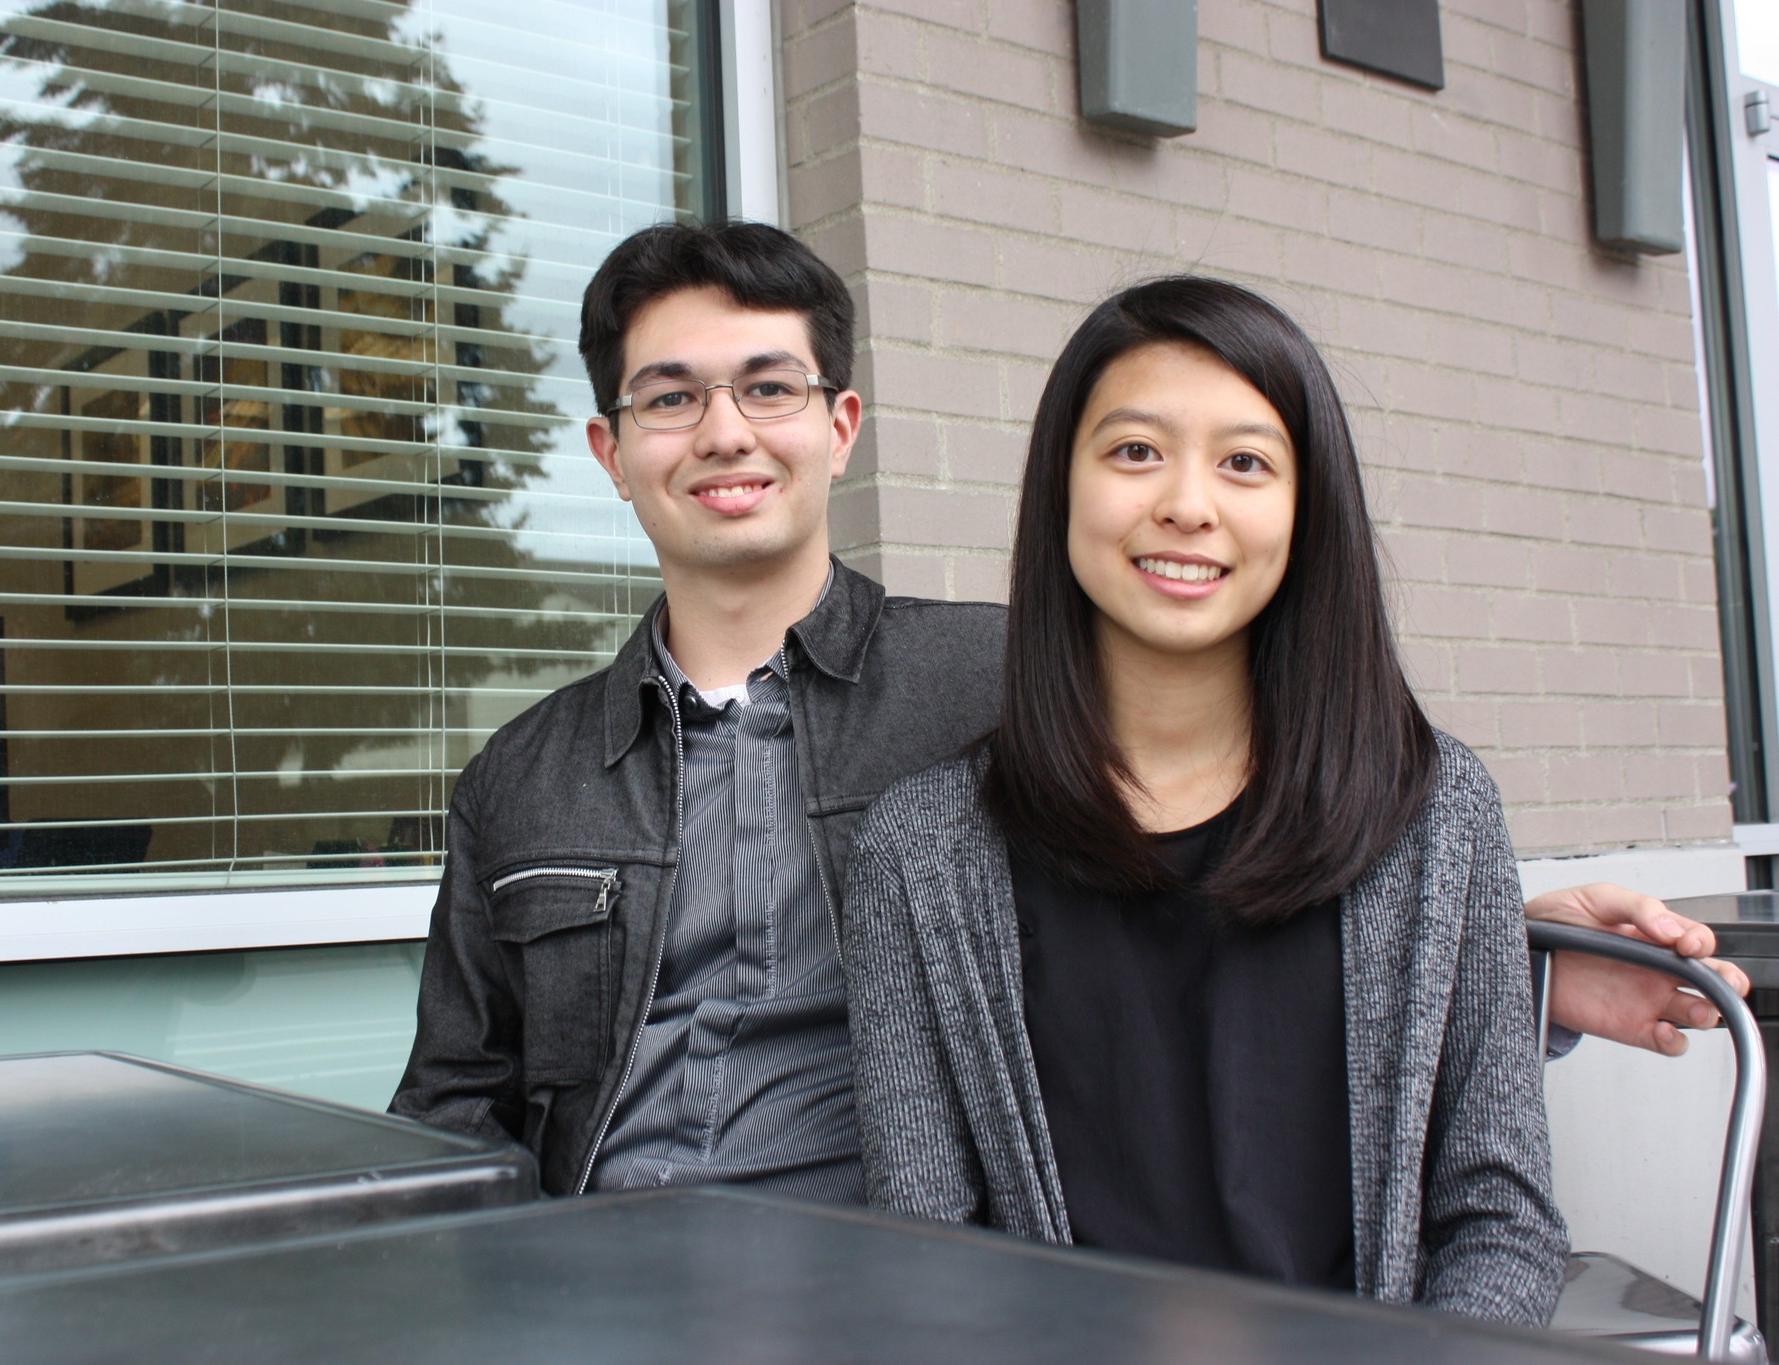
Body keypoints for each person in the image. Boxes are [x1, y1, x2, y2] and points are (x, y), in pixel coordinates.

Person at [390, 221, 1745, 1204]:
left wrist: (1519, 951)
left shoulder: (1003, 688)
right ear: (609, 451)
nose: (725, 431)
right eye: (670, 397)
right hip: (598, 1292)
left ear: (843, 423)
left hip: (899, 1282)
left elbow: (1227, 877)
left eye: (770, 387)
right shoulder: (522, 777)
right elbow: (456, 1111)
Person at [842, 276, 1578, 1323]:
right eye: (1134, 451)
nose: (1187, 503)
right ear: (1060, 485)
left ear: (1304, 507)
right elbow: (922, 1249)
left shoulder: (1432, 811)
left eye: (1244, 462)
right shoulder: (922, 851)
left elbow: (1497, 1215)